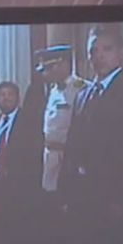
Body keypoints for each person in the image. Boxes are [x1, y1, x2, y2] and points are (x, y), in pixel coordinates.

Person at [60, 24, 123, 226]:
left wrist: (122, 199)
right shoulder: (82, 95)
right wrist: (66, 192)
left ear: (121, 52)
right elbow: (72, 146)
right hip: (82, 197)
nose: (99, 56)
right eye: (93, 51)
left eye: (107, 49)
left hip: (116, 199)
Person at [38, 45, 85, 195]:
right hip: (50, 157)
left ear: (64, 64)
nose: (46, 74)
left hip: (68, 158)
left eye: (50, 68)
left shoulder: (81, 89)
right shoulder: (53, 90)